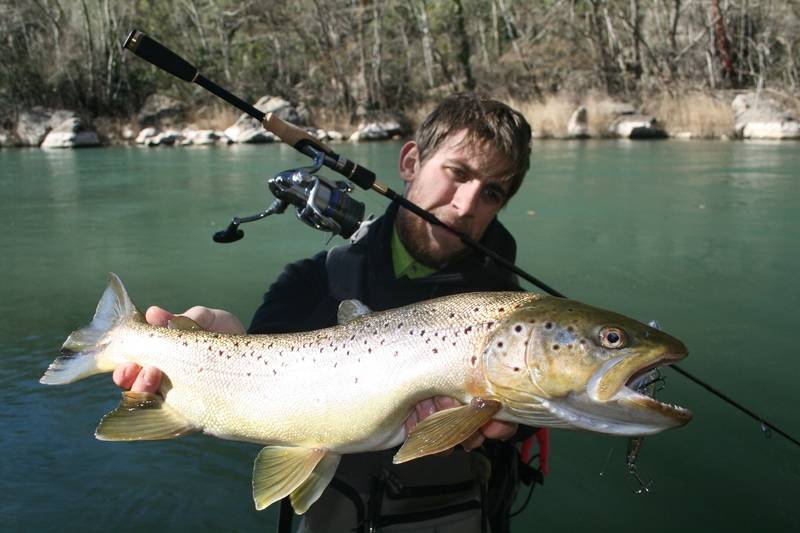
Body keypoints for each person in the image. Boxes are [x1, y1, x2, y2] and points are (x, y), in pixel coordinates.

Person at [114, 93, 538, 532]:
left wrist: (510, 423)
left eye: (492, 192)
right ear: (411, 162)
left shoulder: (510, 312)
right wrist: (226, 345)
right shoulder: (313, 280)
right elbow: (262, 366)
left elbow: (544, 409)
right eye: (457, 172)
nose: (467, 205)